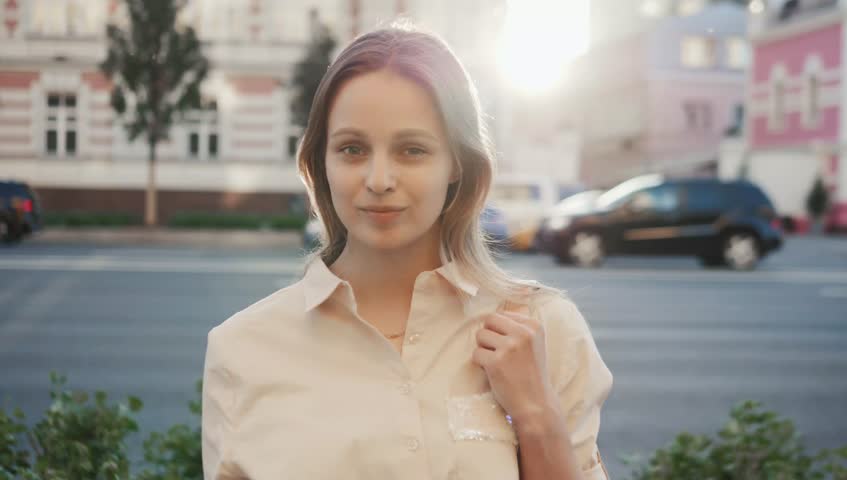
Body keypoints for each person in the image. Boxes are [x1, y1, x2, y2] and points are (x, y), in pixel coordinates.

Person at [201, 24, 613, 480]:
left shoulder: (543, 329)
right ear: (321, 162)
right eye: (352, 149)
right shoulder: (241, 349)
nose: (379, 179)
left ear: (457, 162)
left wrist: (536, 418)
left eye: (412, 150)